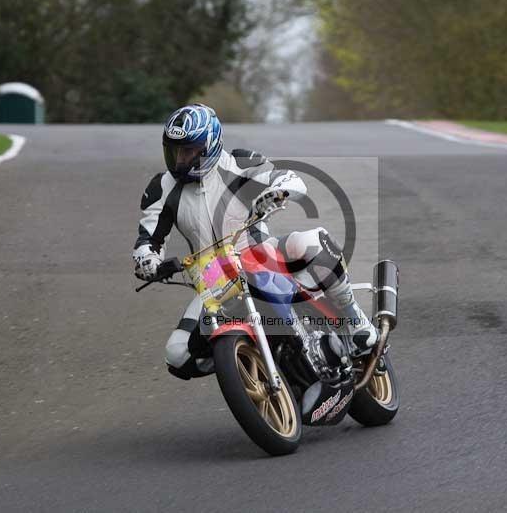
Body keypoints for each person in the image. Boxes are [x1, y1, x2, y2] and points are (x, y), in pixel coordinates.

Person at [132, 104, 378, 380]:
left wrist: (276, 193)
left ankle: (355, 319)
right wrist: (148, 262)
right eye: (175, 152)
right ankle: (246, 360)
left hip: (259, 252)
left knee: (313, 241)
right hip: (212, 278)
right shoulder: (161, 188)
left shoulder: (239, 164)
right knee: (178, 355)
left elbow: (290, 178)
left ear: (209, 146)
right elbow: (148, 239)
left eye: (188, 151)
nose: (181, 160)